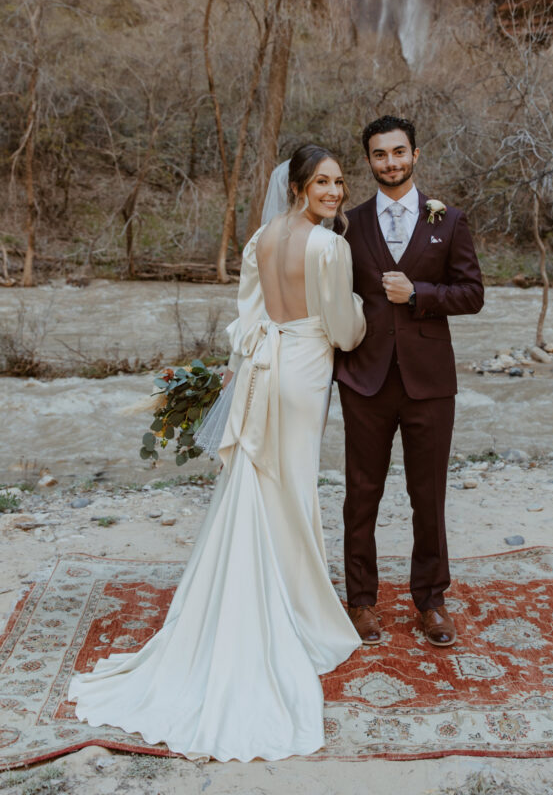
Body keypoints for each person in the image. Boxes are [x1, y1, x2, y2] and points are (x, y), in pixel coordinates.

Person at [68, 145, 366, 762]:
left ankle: (263, 589)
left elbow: (247, 315)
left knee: (258, 482)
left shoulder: (260, 237)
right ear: (299, 187)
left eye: (339, 182)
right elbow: (342, 327)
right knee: (294, 485)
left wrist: (242, 366)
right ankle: (298, 609)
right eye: (323, 182)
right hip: (304, 367)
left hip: (260, 363)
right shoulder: (330, 247)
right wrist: (360, 312)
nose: (334, 192)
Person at [335, 115, 484, 648]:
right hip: (364, 380)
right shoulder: (347, 225)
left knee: (429, 495)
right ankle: (361, 602)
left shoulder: (449, 219)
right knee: (361, 494)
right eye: (380, 154)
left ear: (415, 155)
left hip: (429, 383)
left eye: (399, 152)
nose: (390, 163)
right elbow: (332, 301)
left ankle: (432, 602)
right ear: (369, 161)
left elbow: (472, 294)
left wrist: (419, 294)